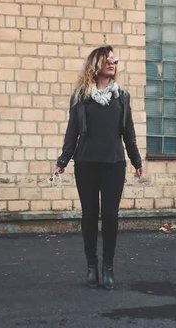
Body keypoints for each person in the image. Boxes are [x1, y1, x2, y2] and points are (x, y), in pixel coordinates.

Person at [53, 45, 143, 290]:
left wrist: (136, 161)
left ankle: (108, 268)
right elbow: (72, 132)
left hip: (114, 164)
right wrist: (62, 161)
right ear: (96, 64)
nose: (113, 63)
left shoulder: (121, 96)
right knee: (90, 215)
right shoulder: (80, 96)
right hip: (86, 164)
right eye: (108, 59)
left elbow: (129, 132)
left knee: (111, 216)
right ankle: (91, 267)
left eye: (115, 60)